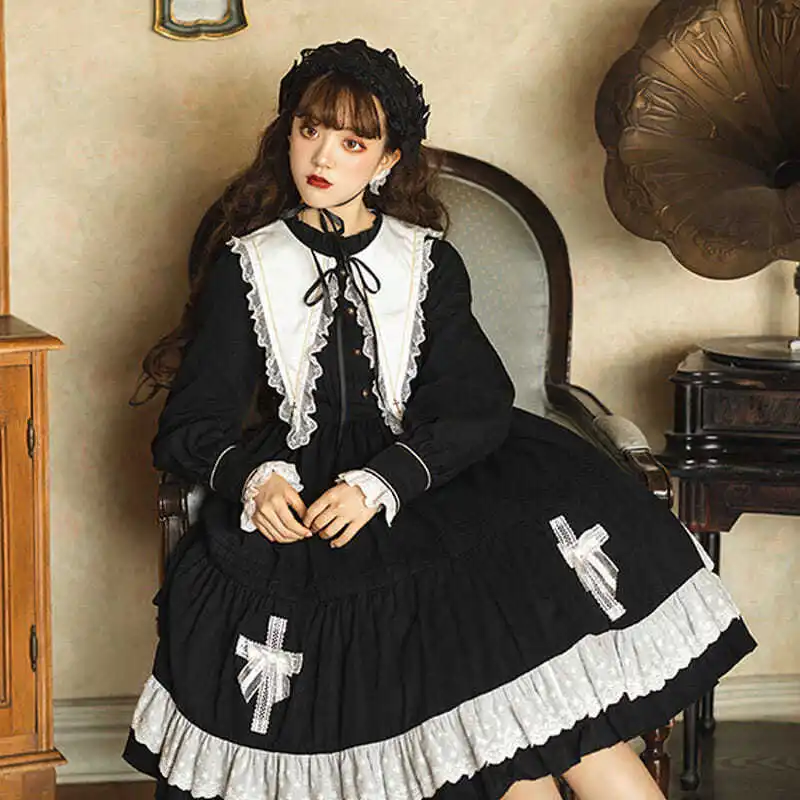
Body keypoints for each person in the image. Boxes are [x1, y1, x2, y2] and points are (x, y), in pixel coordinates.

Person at [123, 39, 756, 800]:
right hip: (311, 523)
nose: (322, 155)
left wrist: (382, 482)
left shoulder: (426, 260)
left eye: (353, 141)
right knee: (510, 747)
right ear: (286, 133)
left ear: (387, 160)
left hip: (437, 486)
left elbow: (474, 403)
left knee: (557, 731)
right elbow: (191, 423)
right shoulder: (247, 264)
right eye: (310, 129)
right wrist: (257, 483)